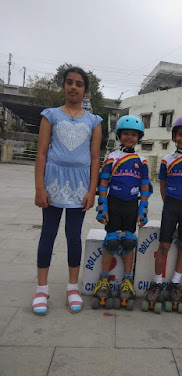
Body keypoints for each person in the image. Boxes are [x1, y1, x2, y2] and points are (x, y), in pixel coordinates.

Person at [32, 67, 102, 315]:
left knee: (73, 235)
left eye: (79, 84)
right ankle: (42, 289)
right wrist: (40, 187)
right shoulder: (50, 115)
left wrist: (92, 191)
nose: (74, 87)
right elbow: (41, 153)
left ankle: (73, 287)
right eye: (69, 82)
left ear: (86, 90)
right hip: (53, 182)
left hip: (80, 185)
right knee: (48, 234)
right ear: (63, 86)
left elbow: (95, 158)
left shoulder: (94, 121)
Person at [145, 116, 182, 307]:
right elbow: (162, 186)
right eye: (180, 134)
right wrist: (168, 204)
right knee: (163, 246)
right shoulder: (166, 160)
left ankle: (176, 283)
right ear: (174, 136)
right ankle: (157, 283)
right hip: (170, 206)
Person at [94, 115, 152, 310]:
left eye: (133, 134)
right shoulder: (112, 157)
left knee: (129, 241)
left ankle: (127, 279)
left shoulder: (142, 160)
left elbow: (145, 186)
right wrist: (102, 205)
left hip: (131, 206)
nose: (129, 137)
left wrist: (143, 209)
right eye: (125, 133)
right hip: (114, 203)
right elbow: (103, 182)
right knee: (110, 241)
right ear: (119, 135)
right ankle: (103, 279)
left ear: (139, 137)